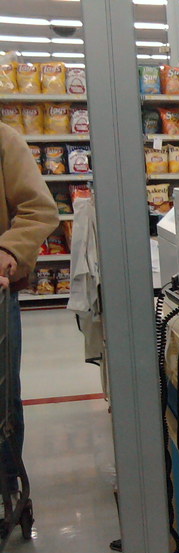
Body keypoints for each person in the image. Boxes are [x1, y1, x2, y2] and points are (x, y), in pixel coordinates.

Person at [0, 122, 60, 493]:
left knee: (2, 400)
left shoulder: (4, 139)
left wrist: (9, 250)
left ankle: (6, 485)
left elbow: (39, 209)